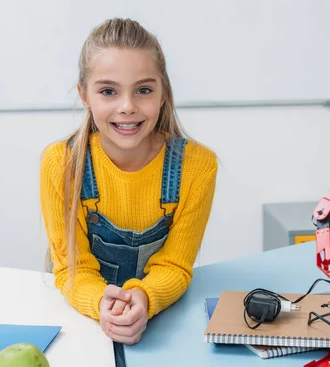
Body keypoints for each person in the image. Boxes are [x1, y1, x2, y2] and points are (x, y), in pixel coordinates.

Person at [39, 18, 218, 348]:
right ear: (85, 96)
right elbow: (70, 269)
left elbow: (176, 265)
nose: (127, 107)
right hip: (83, 322)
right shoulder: (61, 164)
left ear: (163, 93)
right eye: (108, 91)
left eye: (144, 90)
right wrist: (101, 305)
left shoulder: (197, 167)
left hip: (161, 320)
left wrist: (145, 298)